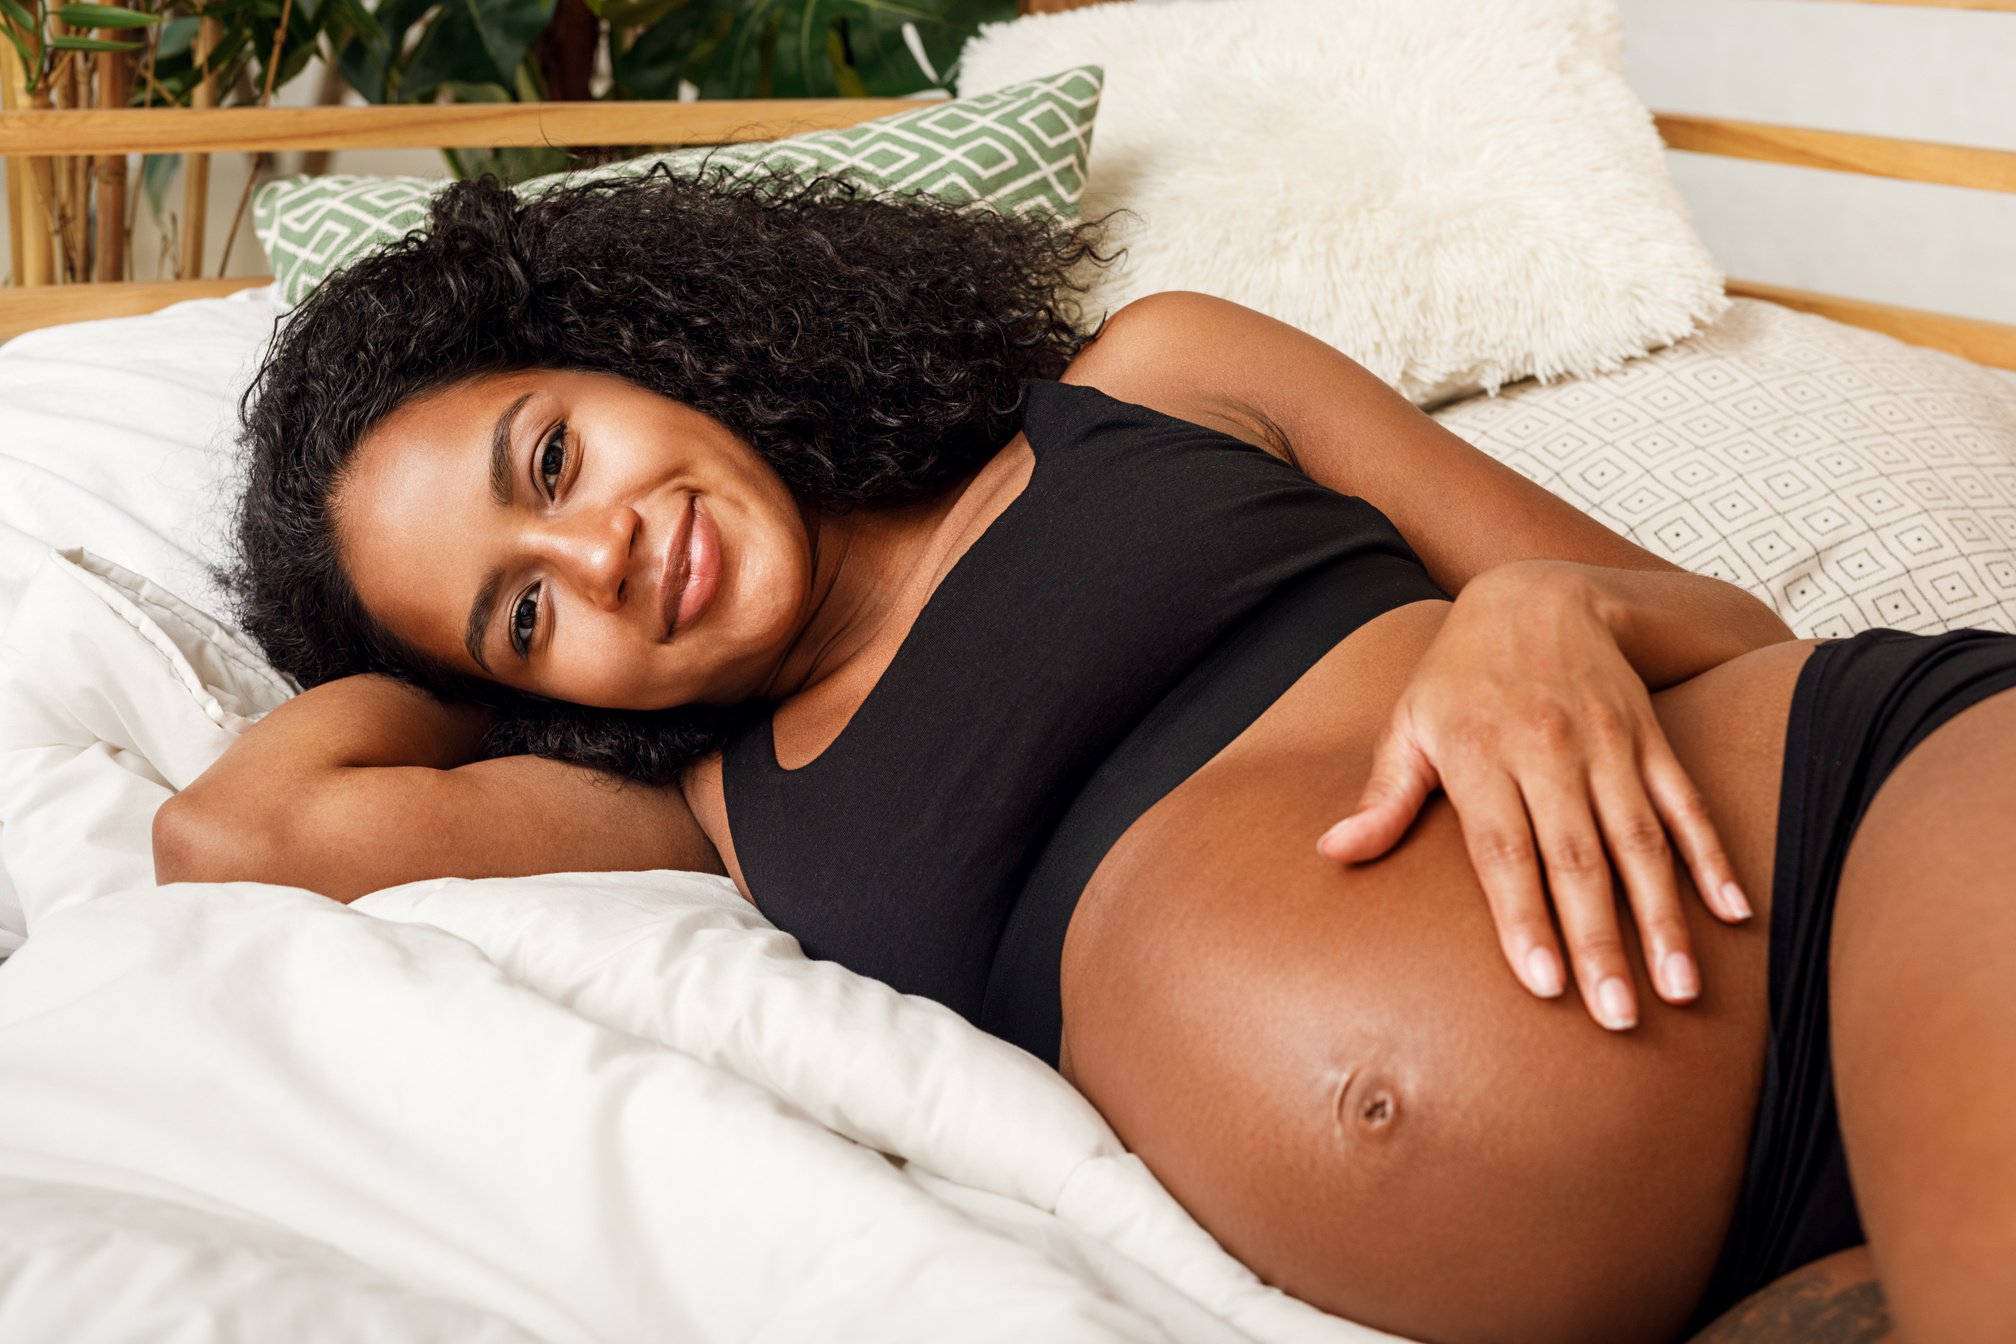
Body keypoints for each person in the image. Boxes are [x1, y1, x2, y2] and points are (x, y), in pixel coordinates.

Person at [155, 164, 2015, 1344]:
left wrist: (1542, 615)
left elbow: (1717, 621)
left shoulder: (1161, 378)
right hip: (1720, 1269)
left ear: (638, 344)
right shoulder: (709, 808)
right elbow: (242, 839)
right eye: (521, 608)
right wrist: (497, 670)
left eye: (552, 461)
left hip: (1855, 837)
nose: (601, 550)